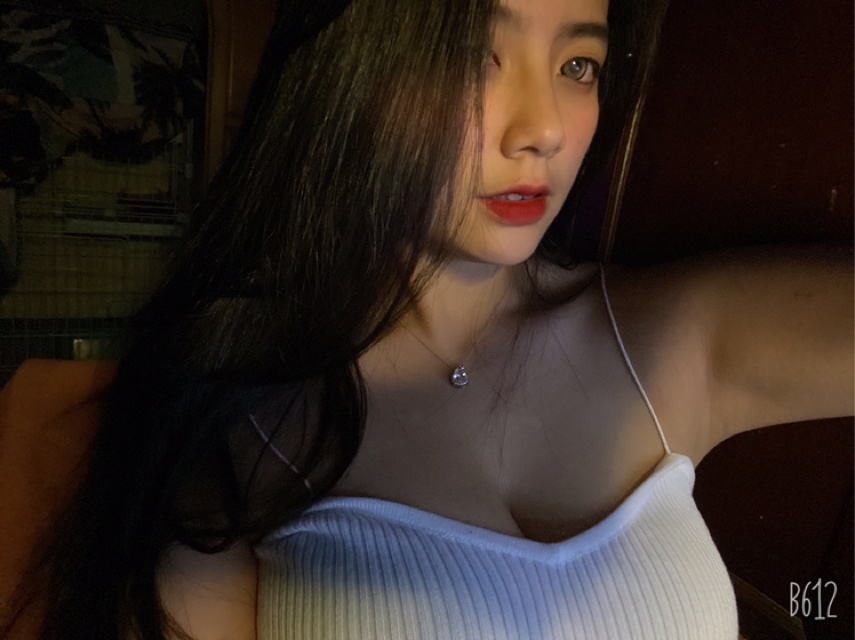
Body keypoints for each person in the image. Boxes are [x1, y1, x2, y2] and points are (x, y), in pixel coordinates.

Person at [6, 0, 851, 638]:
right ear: (349, 72)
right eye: (474, 56)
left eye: (577, 64)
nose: (543, 130)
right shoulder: (238, 414)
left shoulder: (672, 338)